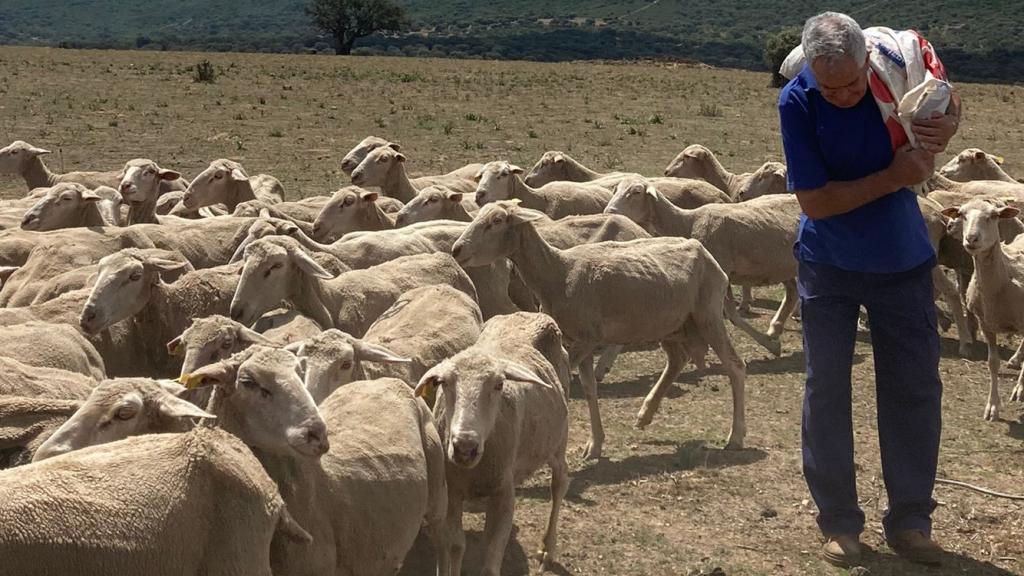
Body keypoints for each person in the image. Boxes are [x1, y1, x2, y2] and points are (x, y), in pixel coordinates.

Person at [778, 11, 960, 567]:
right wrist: (893, 178)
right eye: (829, 87)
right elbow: (815, 202)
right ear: (810, 70)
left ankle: (911, 521)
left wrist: (946, 124)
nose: (843, 95)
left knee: (913, 389)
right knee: (827, 389)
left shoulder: (892, 71)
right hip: (829, 264)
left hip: (901, 258)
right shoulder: (798, 101)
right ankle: (839, 522)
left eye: (852, 84)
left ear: (865, 62)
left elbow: (944, 100)